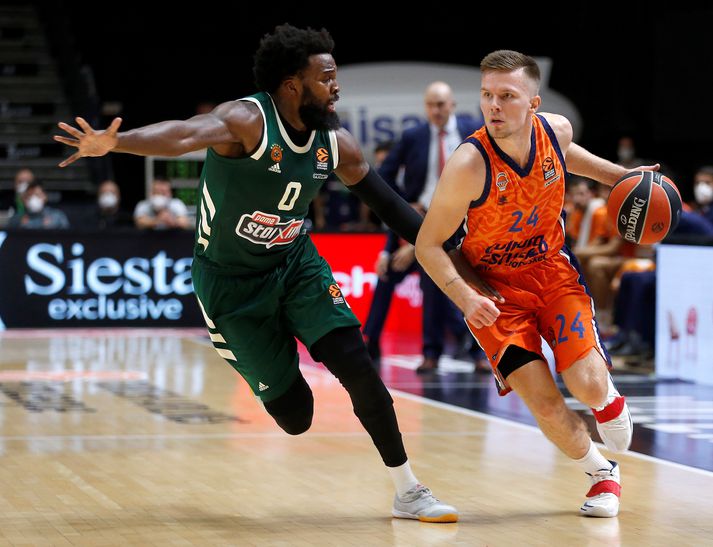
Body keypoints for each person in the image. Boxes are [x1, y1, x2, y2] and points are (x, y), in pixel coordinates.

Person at [54, 24, 459, 523]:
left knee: (357, 366)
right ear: (293, 85)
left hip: (295, 265)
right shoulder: (246, 121)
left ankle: (408, 490)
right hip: (229, 285)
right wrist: (113, 145)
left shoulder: (337, 143)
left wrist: (450, 248)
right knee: (296, 417)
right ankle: (269, 359)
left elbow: (391, 206)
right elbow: (182, 134)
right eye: (326, 77)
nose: (337, 86)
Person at [416, 50, 645, 518]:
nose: (493, 106)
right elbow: (428, 245)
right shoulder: (468, 164)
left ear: (533, 104)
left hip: (551, 274)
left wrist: (623, 178)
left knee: (584, 384)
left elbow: (568, 156)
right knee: (542, 400)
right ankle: (603, 474)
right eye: (487, 96)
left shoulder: (555, 131)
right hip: (493, 293)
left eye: (507, 96)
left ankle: (608, 399)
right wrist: (463, 296)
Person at [364, 82, 484, 372]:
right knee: (424, 278)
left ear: (452, 104)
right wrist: (406, 204)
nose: (436, 110)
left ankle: (480, 352)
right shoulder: (413, 136)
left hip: (465, 218)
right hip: (424, 219)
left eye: (441, 104)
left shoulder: (474, 130)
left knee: (472, 283)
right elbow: (384, 175)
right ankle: (429, 351)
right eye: (431, 105)